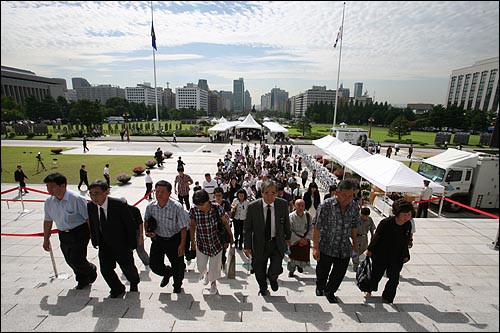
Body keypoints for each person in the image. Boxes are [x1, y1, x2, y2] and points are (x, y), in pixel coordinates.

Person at [42, 172, 97, 290]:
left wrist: (93, 236)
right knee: (69, 259)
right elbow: (48, 221)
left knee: (77, 258)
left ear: (63, 186)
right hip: (63, 234)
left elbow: (88, 219)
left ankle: (90, 269)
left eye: (52, 186)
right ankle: (82, 280)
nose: (49, 189)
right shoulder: (49, 202)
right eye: (47, 186)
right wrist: (46, 239)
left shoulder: (76, 199)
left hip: (79, 232)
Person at [87, 181, 140, 297]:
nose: (93, 197)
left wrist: (132, 244)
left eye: (96, 193)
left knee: (127, 267)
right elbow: (93, 223)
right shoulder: (91, 206)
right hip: (104, 244)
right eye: (90, 194)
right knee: (105, 270)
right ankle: (117, 288)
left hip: (121, 243)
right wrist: (94, 239)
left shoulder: (119, 205)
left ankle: (134, 282)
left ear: (106, 192)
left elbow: (130, 225)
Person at [312, 179, 359, 303]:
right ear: (337, 193)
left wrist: (354, 244)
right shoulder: (326, 205)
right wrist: (315, 247)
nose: (347, 198)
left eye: (350, 195)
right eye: (344, 195)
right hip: (326, 245)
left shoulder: (354, 206)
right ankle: (320, 286)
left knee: (339, 273)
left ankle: (330, 291)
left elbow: (354, 225)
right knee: (322, 271)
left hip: (344, 247)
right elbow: (317, 227)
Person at [244, 180, 291, 296]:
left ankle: (272, 278)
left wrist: (288, 237)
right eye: (267, 193)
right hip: (259, 243)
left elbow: (286, 223)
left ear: (277, 193)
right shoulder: (253, 207)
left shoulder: (282, 204)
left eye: (273, 193)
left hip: (276, 242)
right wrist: (247, 246)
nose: (270, 196)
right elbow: (248, 229)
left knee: (275, 267)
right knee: (259, 270)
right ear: (261, 193)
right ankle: (263, 287)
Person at [364, 199, 414, 304]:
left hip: (397, 256)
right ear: (397, 213)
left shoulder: (408, 225)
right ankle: (369, 290)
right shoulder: (386, 223)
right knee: (376, 274)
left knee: (394, 278)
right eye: (404, 214)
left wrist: (405, 254)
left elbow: (405, 241)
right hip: (381, 254)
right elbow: (376, 237)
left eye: (409, 214)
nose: (407, 217)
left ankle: (388, 297)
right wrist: (370, 249)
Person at [144, 180, 189, 293]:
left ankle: (177, 285)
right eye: (157, 191)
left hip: (174, 239)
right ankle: (167, 273)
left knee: (177, 266)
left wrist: (182, 245)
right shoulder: (151, 206)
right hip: (158, 239)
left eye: (162, 192)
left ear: (169, 193)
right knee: (154, 265)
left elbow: (184, 227)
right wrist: (147, 232)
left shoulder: (177, 207)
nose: (159, 194)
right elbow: (146, 219)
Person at [190, 190, 234, 295]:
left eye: (202, 205)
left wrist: (230, 236)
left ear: (208, 201)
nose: (200, 207)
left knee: (215, 266)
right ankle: (206, 273)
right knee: (201, 266)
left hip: (216, 242)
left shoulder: (217, 208)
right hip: (201, 242)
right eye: (198, 205)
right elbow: (192, 226)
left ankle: (213, 283)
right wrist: (192, 242)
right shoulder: (193, 210)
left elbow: (225, 222)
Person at [119, 197, 150, 267]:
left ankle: (147, 262)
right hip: (125, 233)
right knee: (127, 251)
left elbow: (140, 223)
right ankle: (129, 265)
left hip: (136, 231)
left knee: (140, 249)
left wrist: (141, 235)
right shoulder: (117, 211)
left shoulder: (134, 210)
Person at [287, 199, 312, 277]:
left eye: (302, 206)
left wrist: (306, 238)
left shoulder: (308, 216)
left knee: (302, 256)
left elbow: (311, 228)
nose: (301, 207)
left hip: (305, 239)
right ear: (295, 206)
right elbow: (289, 231)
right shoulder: (290, 217)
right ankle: (291, 271)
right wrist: (298, 240)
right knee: (293, 258)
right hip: (294, 240)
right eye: (299, 205)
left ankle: (300, 266)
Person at [212, 187, 233, 271]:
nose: (218, 197)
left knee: (223, 248)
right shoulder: (211, 204)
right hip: (214, 229)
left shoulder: (226, 203)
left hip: (224, 229)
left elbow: (229, 215)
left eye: (219, 195)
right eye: (216, 195)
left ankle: (222, 261)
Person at [352, 207, 375, 271]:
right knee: (355, 251)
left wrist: (373, 237)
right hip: (357, 237)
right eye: (363, 216)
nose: (365, 217)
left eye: (366, 216)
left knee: (363, 251)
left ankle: (361, 263)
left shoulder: (369, 220)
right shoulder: (356, 219)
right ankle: (355, 265)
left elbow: (372, 229)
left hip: (364, 237)